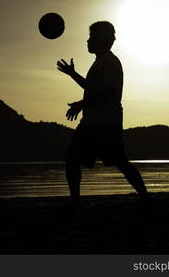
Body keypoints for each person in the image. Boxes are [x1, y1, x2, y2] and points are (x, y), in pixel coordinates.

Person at [57, 21, 151, 207]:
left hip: (104, 124)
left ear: (102, 39)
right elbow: (93, 89)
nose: (88, 40)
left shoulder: (110, 62)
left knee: (118, 163)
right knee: (75, 160)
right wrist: (73, 74)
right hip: (95, 122)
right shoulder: (101, 62)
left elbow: (109, 91)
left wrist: (81, 104)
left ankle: (146, 199)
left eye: (91, 36)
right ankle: (76, 200)